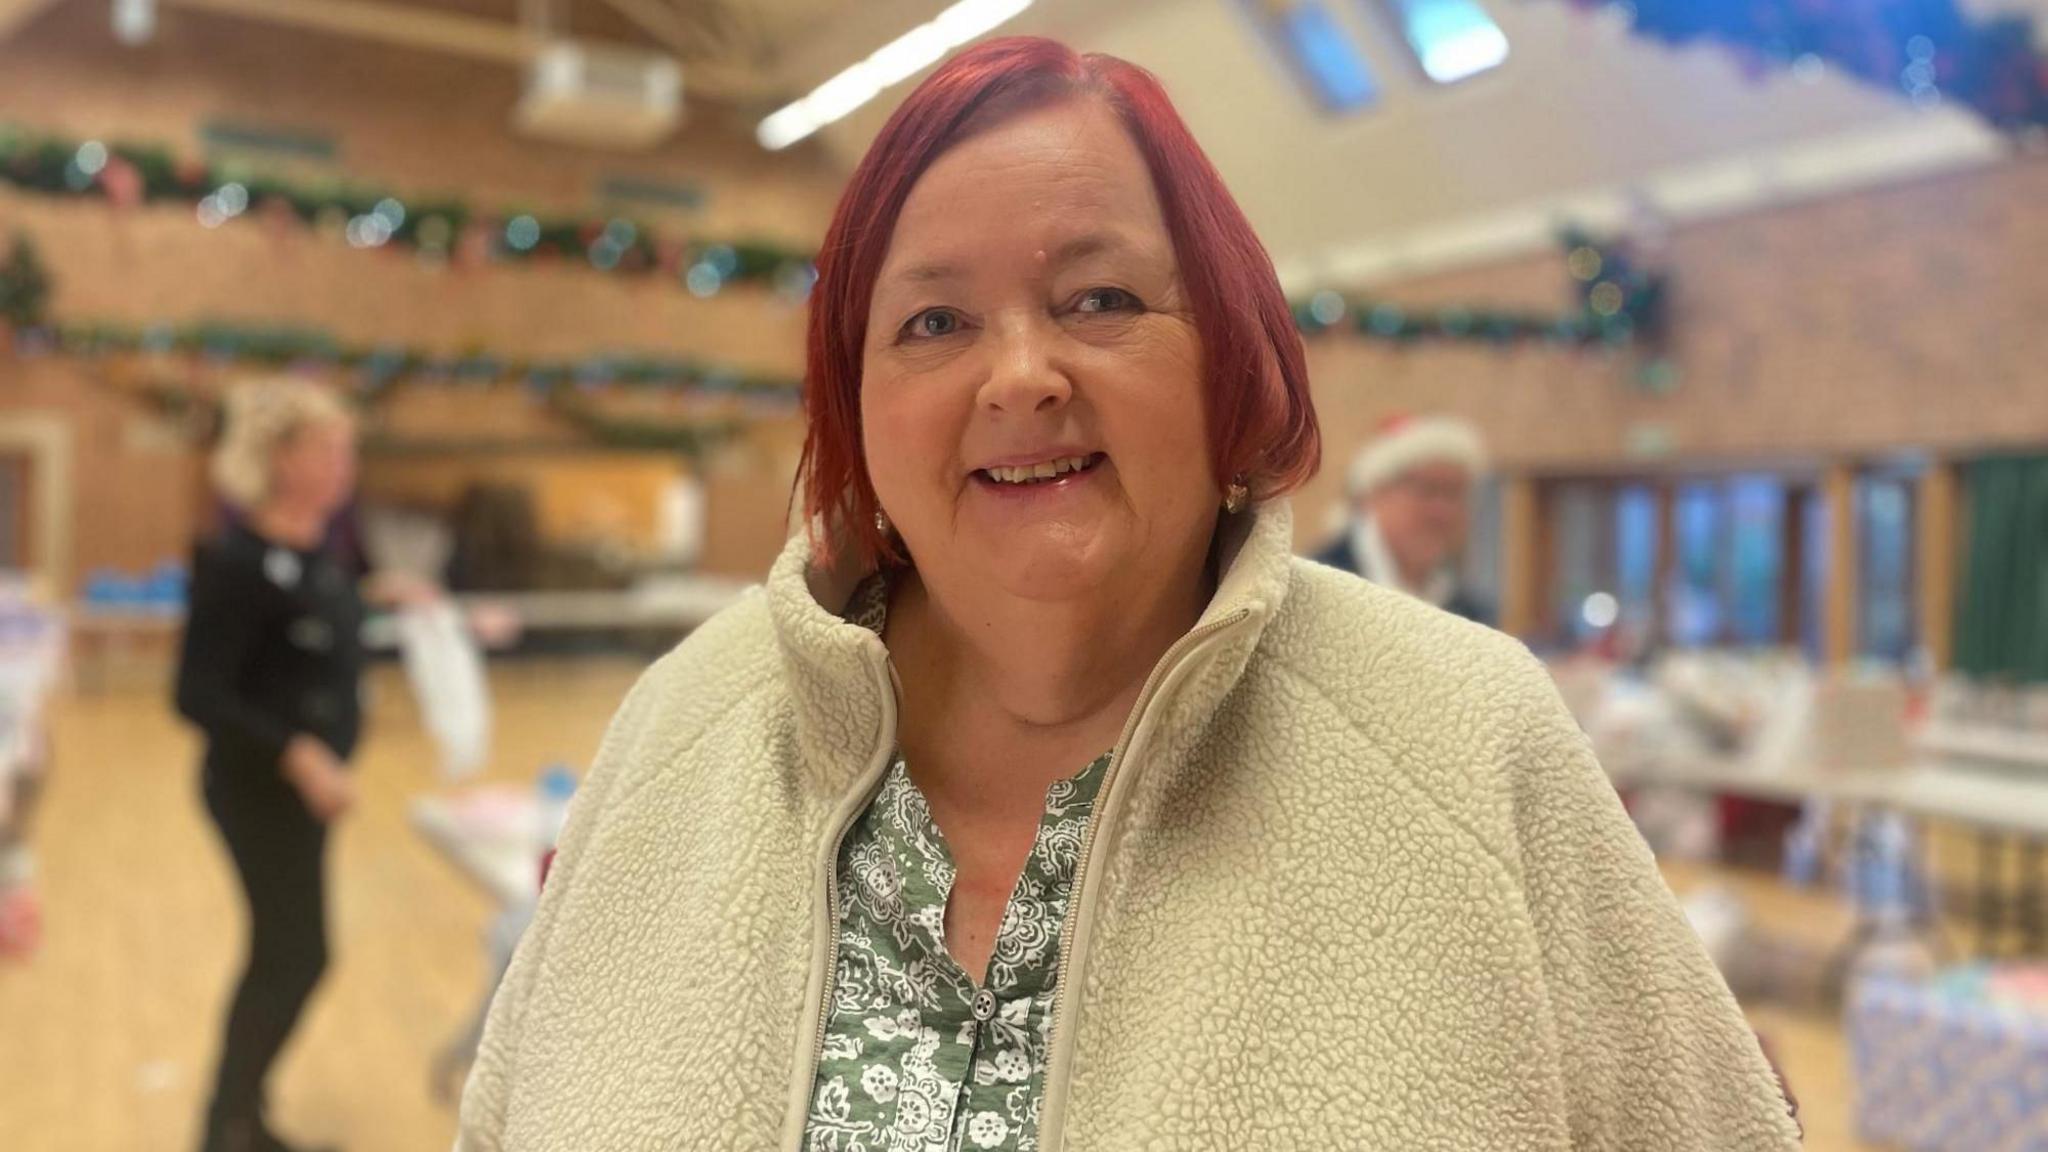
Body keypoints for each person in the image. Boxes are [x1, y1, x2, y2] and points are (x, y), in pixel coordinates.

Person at [457, 38, 1799, 1151]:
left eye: (1099, 298)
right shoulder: (680, 736)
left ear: (1229, 367)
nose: (1022, 373)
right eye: (933, 322)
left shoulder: (1467, 744)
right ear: (857, 414)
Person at [175, 380, 401, 1152]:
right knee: (295, 952)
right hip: (256, 790)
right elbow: (196, 693)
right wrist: (298, 755)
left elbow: (319, 630)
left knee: (287, 950)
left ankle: (241, 1114)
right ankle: (227, 1122)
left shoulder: (323, 554)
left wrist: (384, 598)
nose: (346, 465)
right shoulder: (237, 562)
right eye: (328, 449)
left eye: (348, 448)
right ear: (280, 459)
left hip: (305, 798)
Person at [1313, 413, 1493, 623]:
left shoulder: (1471, 613)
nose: (1442, 511)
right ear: (1375, 494)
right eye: (1428, 489)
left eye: (1454, 494)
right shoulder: (1317, 587)